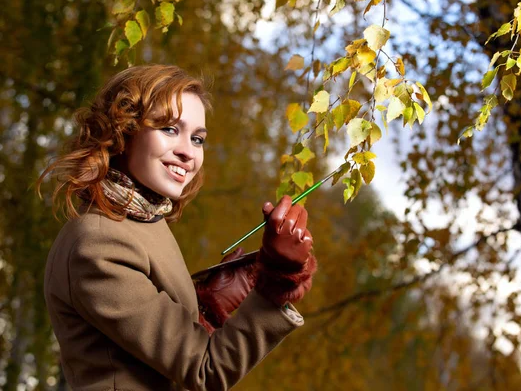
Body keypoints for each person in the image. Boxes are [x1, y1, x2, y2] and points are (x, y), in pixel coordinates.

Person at [37, 64, 318, 391]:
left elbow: (155, 349)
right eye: (170, 129)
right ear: (123, 132)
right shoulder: (98, 242)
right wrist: (272, 287)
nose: (188, 151)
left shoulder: (141, 219)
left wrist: (207, 306)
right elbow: (203, 369)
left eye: (197, 138)